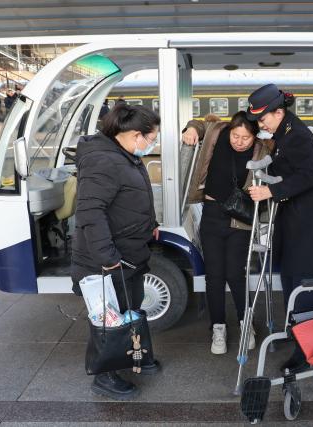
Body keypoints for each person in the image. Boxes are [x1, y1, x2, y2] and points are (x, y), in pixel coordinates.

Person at [71, 104, 161, 400]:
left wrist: (151, 224)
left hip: (130, 252)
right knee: (108, 320)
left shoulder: (123, 155)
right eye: (152, 137)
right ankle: (104, 376)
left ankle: (135, 356)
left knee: (130, 309)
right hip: (109, 258)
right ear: (136, 134)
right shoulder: (103, 160)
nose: (153, 143)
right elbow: (89, 213)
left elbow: (131, 198)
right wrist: (107, 257)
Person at [247, 84, 313, 374]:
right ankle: (296, 331)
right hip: (294, 222)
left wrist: (271, 192)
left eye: (263, 119)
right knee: (289, 280)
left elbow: (309, 176)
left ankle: (306, 353)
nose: (261, 125)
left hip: (306, 226)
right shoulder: (285, 133)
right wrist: (265, 173)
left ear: (278, 112)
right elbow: (286, 165)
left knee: (303, 288)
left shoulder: (297, 135)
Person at [182, 111, 272, 355]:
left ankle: (246, 324)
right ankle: (218, 328)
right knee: (214, 276)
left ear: (255, 136)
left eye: (246, 138)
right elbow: (199, 123)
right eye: (236, 135)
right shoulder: (217, 132)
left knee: (235, 273)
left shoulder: (263, 148)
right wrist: (190, 128)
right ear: (229, 130)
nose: (239, 141)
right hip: (212, 213)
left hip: (239, 219)